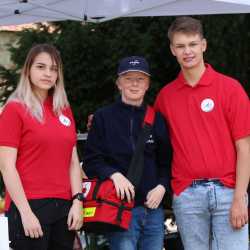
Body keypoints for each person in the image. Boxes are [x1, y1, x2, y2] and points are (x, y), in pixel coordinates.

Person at [154, 16, 250, 250]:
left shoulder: (230, 89)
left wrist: (240, 197)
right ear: (172, 50)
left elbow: (244, 148)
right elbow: (150, 138)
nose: (187, 51)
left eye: (192, 44)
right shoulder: (166, 97)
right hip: (188, 196)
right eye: (180, 46)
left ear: (203, 45)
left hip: (228, 192)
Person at [0, 44, 84, 250]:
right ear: (28, 70)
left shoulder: (63, 109)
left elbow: (73, 161)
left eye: (53, 69)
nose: (48, 73)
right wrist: (26, 214)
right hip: (29, 206)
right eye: (41, 67)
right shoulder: (14, 109)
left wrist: (77, 201)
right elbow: (6, 167)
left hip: (65, 208)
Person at [84, 56, 172, 250]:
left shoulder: (157, 119)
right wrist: (114, 175)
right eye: (128, 78)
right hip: (119, 210)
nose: (134, 84)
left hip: (153, 212)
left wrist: (162, 187)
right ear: (118, 83)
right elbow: (91, 161)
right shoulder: (103, 117)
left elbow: (166, 163)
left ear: (148, 84)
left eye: (140, 79)